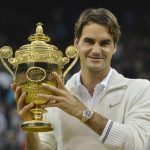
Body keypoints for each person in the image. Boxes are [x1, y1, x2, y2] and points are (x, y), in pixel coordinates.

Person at [11, 8, 150, 150]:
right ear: (76, 43)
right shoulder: (53, 98)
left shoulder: (140, 90)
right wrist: (30, 125)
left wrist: (81, 112)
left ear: (114, 46)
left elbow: (137, 144)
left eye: (104, 43)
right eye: (89, 42)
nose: (96, 50)